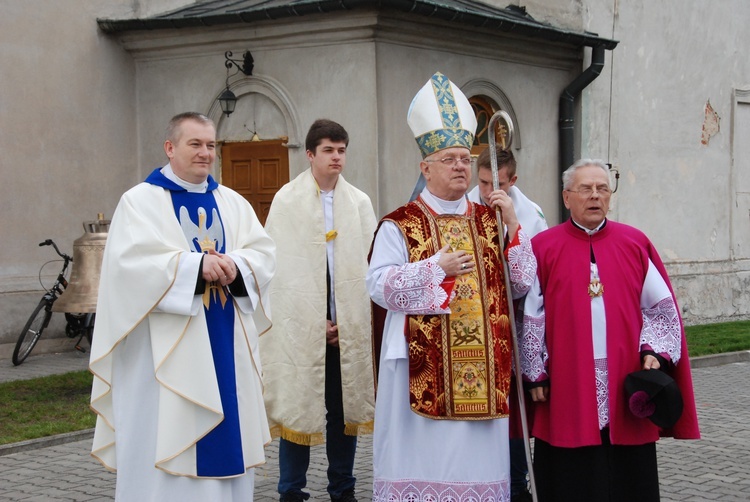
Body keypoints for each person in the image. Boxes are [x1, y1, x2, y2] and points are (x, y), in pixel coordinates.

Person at [89, 112, 276, 501]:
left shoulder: (233, 202)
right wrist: (194, 266)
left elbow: (263, 254)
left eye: (210, 145)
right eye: (195, 144)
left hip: (225, 345)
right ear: (170, 148)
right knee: (169, 443)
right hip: (165, 361)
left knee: (228, 441)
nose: (206, 153)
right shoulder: (139, 202)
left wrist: (236, 265)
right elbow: (128, 269)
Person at [367, 72, 537, 502]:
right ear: (425, 167)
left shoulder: (490, 220)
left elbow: (520, 284)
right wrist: (432, 268)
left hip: (486, 367)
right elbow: (378, 286)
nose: (461, 165)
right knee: (423, 461)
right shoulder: (399, 223)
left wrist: (514, 228)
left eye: (465, 157)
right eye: (450, 158)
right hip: (420, 367)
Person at [520, 159, 701, 501]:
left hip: (623, 378)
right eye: (585, 189)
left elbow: (660, 308)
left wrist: (653, 351)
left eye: (602, 189)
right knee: (571, 475)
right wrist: (536, 374)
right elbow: (530, 315)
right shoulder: (543, 247)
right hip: (566, 382)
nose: (595, 196)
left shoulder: (634, 243)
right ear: (566, 197)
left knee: (627, 477)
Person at [261, 119, 377, 502]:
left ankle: (343, 488)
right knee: (300, 407)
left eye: (342, 150)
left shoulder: (358, 202)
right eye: (328, 150)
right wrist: (313, 322)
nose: (337, 157)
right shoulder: (286, 201)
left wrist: (349, 320)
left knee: (342, 415)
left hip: (347, 328)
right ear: (310, 154)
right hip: (302, 327)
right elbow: (280, 273)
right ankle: (291, 491)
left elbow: (370, 267)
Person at [468, 146, 547, 501]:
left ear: (512, 181)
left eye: (496, 183)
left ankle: (518, 487)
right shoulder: (464, 207)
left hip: (510, 328)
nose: (487, 192)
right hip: (472, 328)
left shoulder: (530, 216)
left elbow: (530, 283)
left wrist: (512, 224)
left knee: (511, 414)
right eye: (482, 182)